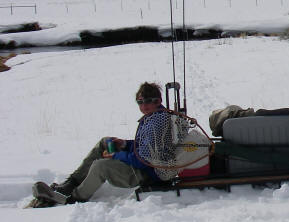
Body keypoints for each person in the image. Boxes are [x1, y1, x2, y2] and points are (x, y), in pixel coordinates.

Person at [30, 82, 180, 206]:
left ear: (158, 101)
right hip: (145, 165)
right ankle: (71, 183)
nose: (143, 105)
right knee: (105, 142)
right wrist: (125, 144)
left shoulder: (156, 122)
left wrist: (117, 155)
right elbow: (147, 145)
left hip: (147, 173)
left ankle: (74, 198)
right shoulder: (153, 117)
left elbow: (143, 159)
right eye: (140, 102)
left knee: (100, 166)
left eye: (147, 101)